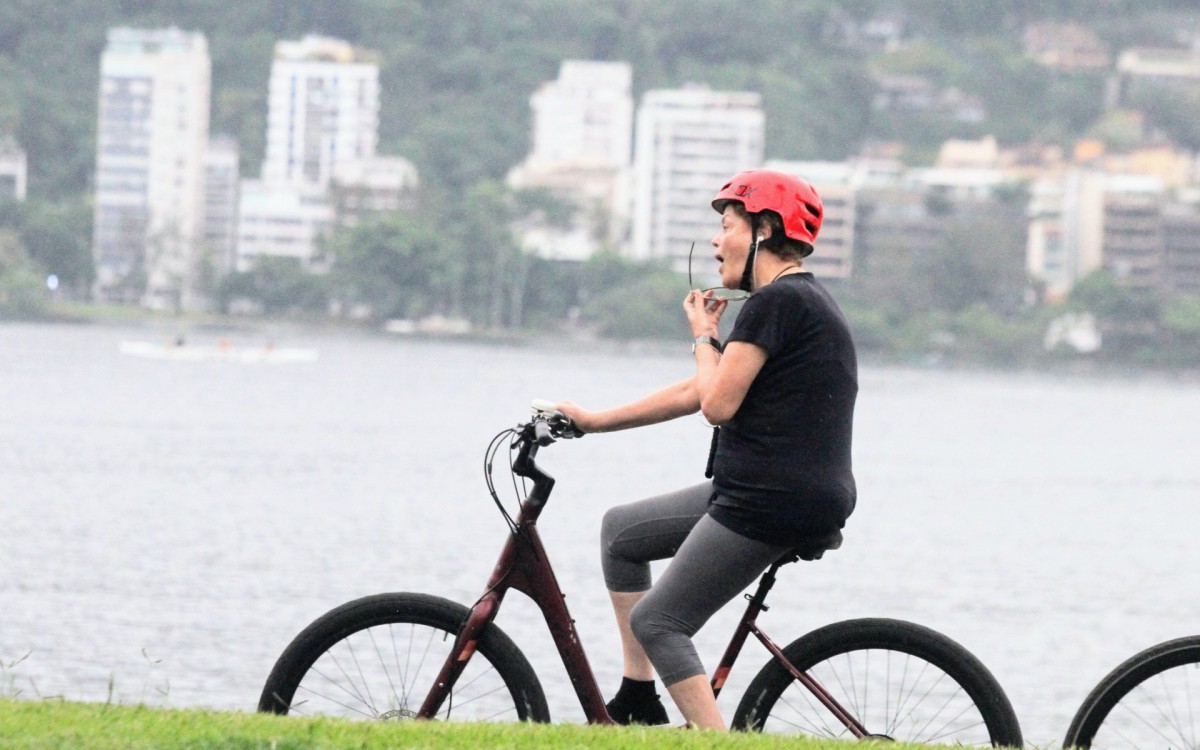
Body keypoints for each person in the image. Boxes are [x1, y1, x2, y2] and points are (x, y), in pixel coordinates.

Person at [555, 169, 858, 730]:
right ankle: (639, 696)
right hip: (767, 490)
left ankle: (715, 743)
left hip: (771, 500)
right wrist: (592, 422)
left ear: (764, 229)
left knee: (660, 622)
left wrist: (702, 337)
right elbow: (703, 390)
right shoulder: (795, 301)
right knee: (621, 534)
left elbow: (716, 404)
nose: (716, 242)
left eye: (726, 226)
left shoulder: (776, 304)